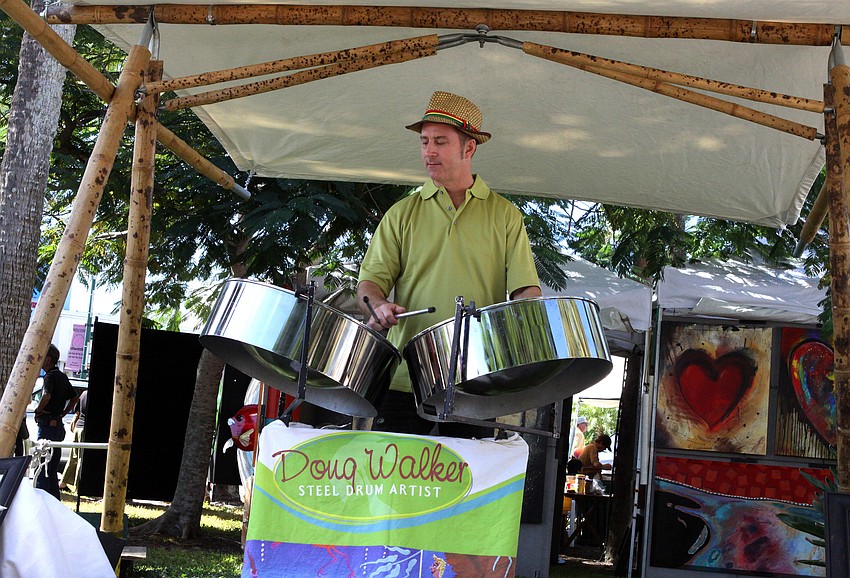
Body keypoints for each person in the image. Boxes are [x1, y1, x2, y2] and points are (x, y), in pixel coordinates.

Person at [357, 91, 542, 435]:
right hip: (404, 380)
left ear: (469, 148)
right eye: (425, 141)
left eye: (440, 142)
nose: (429, 151)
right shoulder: (401, 213)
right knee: (394, 486)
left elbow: (525, 291)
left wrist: (528, 318)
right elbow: (369, 284)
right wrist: (378, 303)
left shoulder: (505, 215)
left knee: (470, 487)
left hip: (475, 379)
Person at [33, 344, 79, 499]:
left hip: (47, 426)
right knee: (51, 469)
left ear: (48, 359)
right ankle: (53, 501)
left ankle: (42, 500)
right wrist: (62, 413)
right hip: (57, 426)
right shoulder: (62, 376)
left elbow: (46, 395)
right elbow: (74, 398)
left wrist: (38, 410)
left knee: (43, 466)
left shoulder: (50, 377)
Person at [60, 389, 88, 493]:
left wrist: (73, 424)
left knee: (73, 457)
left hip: (78, 427)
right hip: (85, 429)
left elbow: (77, 411)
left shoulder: (84, 393)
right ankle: (78, 487)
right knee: (81, 459)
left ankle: (63, 483)